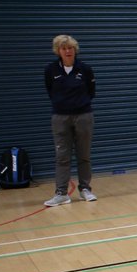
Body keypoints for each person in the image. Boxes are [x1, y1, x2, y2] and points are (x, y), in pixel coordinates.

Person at [43, 34, 97, 206]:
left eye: (70, 48)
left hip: (83, 116)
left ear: (75, 50)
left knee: (84, 155)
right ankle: (61, 193)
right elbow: (50, 91)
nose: (67, 51)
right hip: (60, 118)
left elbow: (91, 91)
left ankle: (85, 189)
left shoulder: (85, 69)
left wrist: (79, 105)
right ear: (58, 51)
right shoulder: (51, 70)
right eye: (64, 48)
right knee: (62, 157)